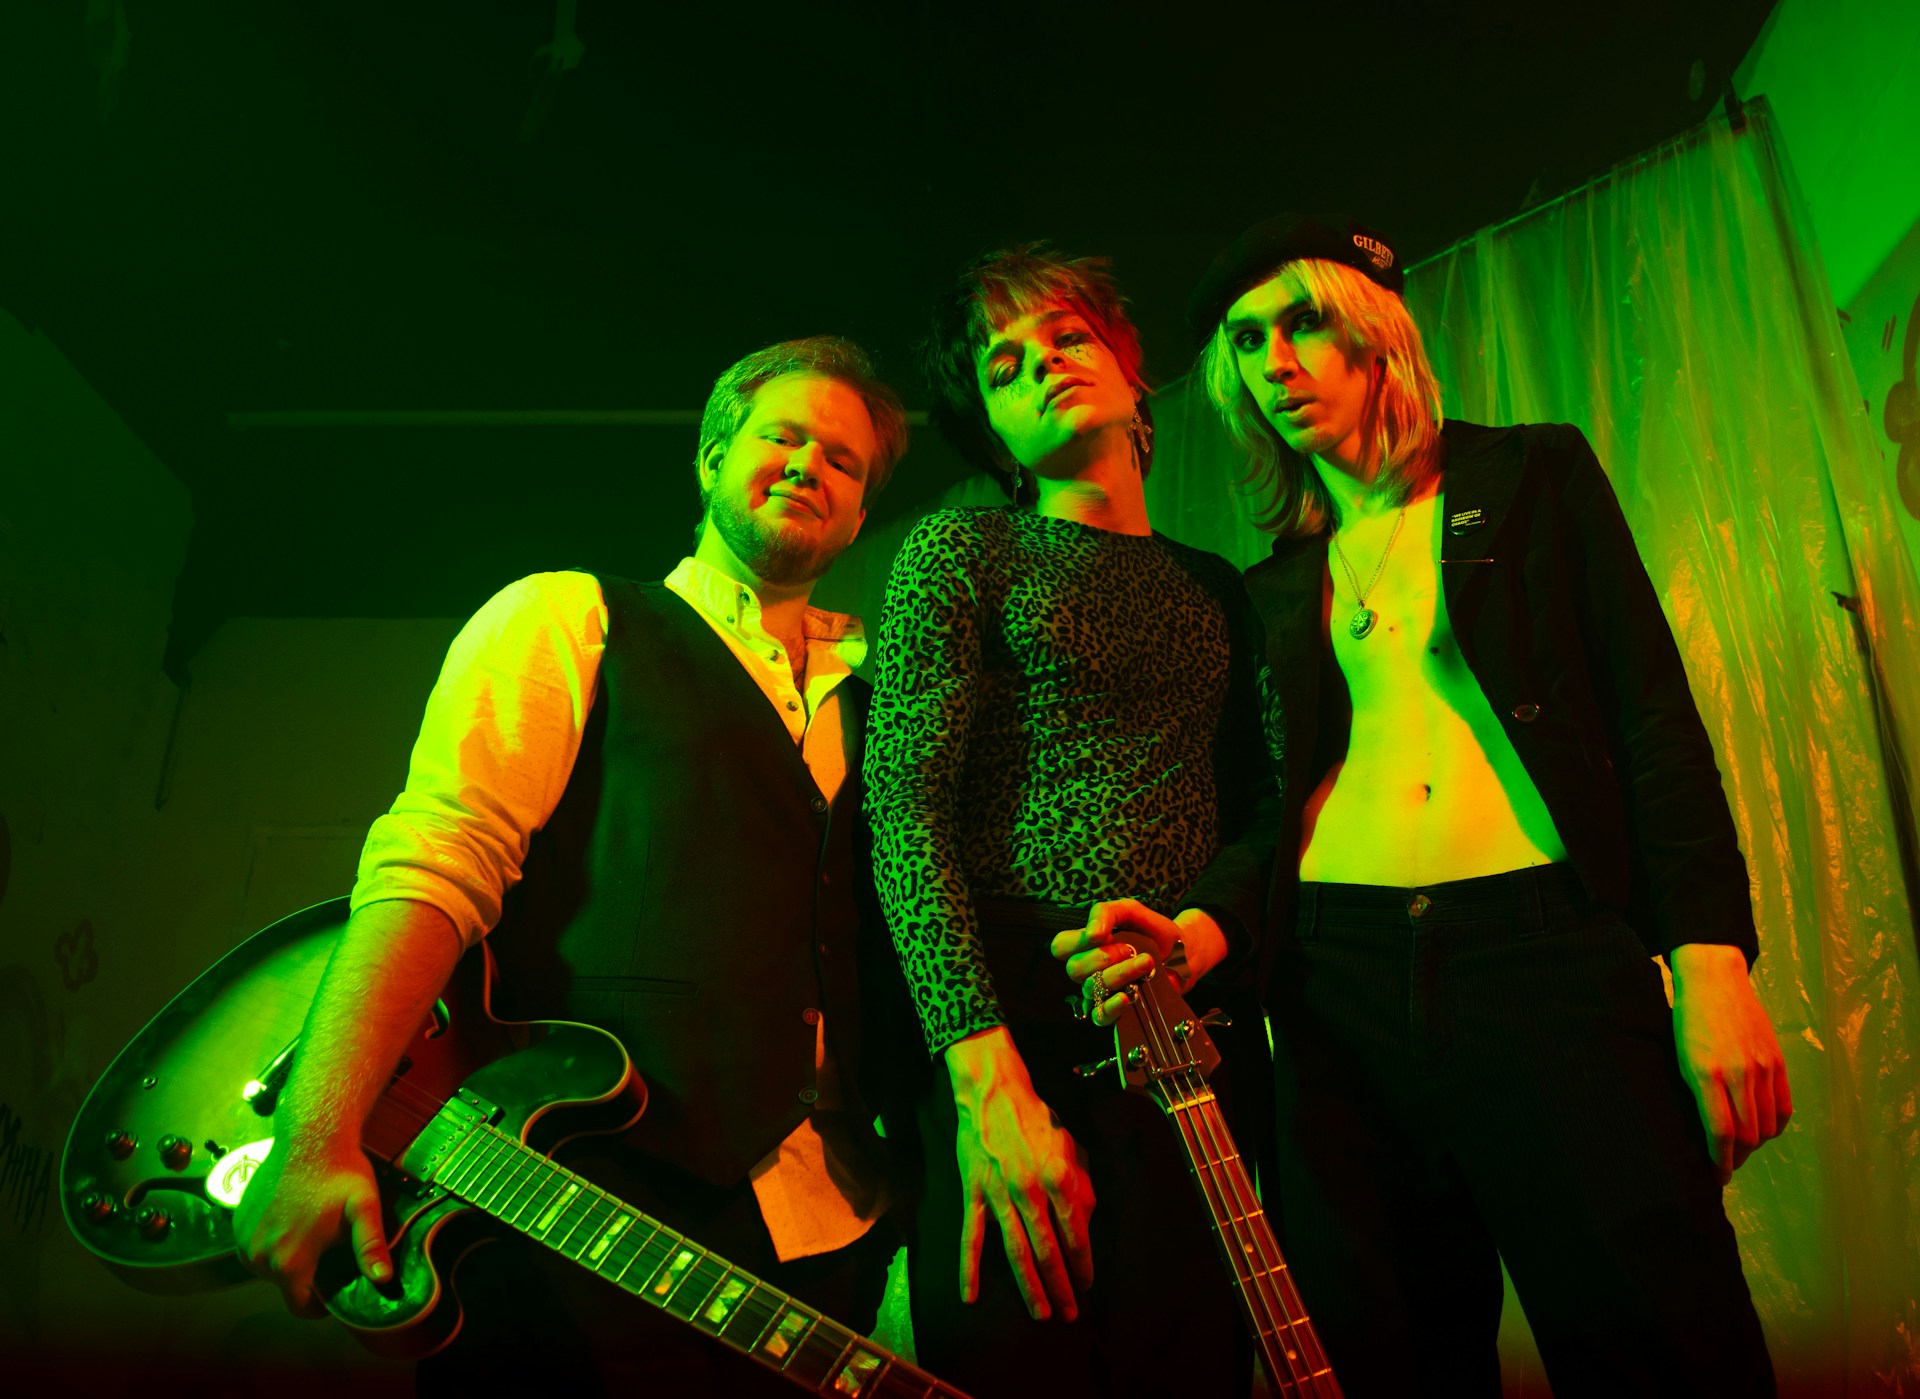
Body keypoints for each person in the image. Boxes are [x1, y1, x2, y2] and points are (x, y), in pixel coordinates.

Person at [1138, 212, 1789, 1395]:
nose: (1274, 361)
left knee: (1658, 1332)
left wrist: (1711, 964)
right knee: (1382, 1351)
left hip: (1540, 957)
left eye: (1303, 325)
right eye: (1245, 341)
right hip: (1336, 987)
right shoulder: (1275, 581)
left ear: (1377, 335)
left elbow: (1651, 719)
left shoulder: (1533, 473)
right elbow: (1271, 804)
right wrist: (1203, 928)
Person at [234, 335, 914, 1397]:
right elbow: (433, 868)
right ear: (711, 456)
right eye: (782, 436)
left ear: (863, 511)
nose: (808, 466)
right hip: (562, 1205)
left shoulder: (889, 697)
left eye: (843, 460)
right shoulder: (568, 615)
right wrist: (319, 1131)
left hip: (827, 1232)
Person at [864, 244, 1276, 1398]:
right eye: (1006, 362)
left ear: (1132, 368)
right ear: (988, 426)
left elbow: (1266, 810)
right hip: (1015, 1032)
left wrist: (1207, 930)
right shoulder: (960, 551)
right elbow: (904, 814)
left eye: (1068, 337)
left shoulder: (1220, 585)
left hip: (1193, 1030)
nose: (1044, 364)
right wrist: (981, 1072)